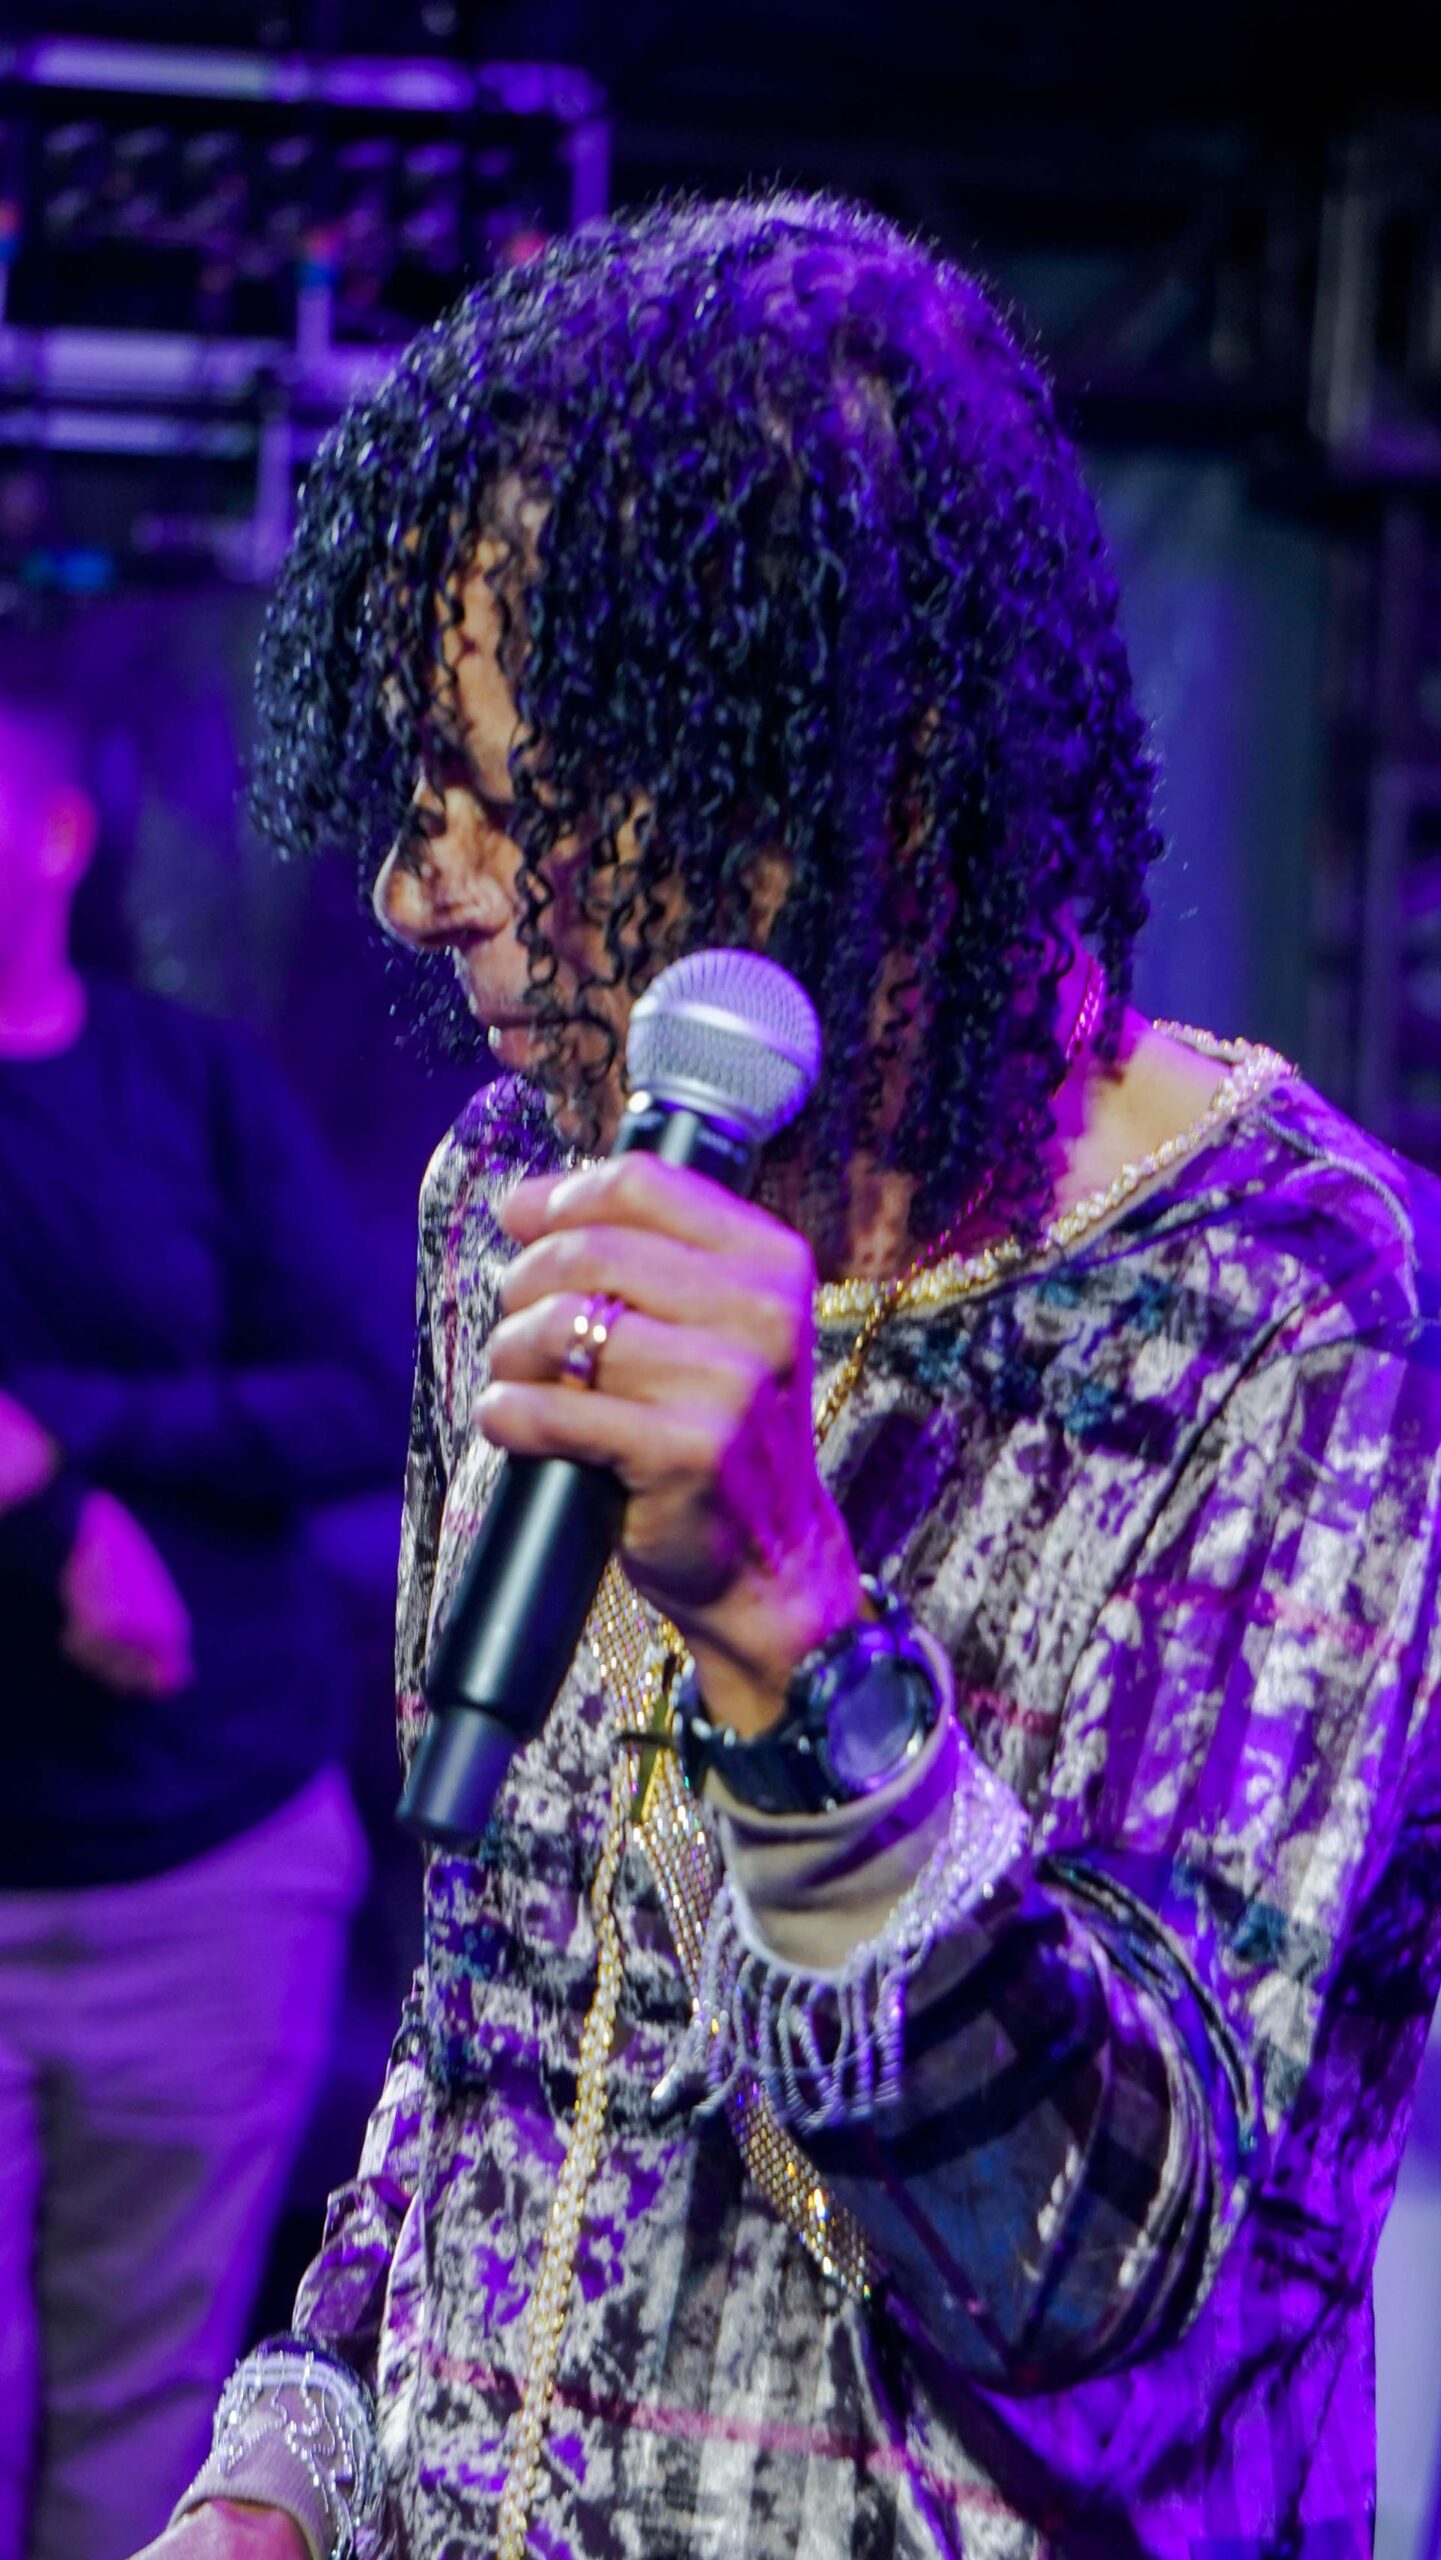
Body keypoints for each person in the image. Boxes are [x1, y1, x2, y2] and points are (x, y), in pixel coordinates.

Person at [148, 194, 1441, 2559]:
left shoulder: (1295, 1318)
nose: (416, 889)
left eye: (513, 800)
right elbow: (491, 2021)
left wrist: (783, 1624)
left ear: (840, 781)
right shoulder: (525, 1189)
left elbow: (1080, 2277)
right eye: (415, 792)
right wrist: (294, 2460)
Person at [0, 638, 406, 2560]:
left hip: (200, 1868)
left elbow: (357, 1399)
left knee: (140, 2431)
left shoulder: (186, 1091)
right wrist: (45, 1506)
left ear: (62, 833)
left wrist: (68, 1440)